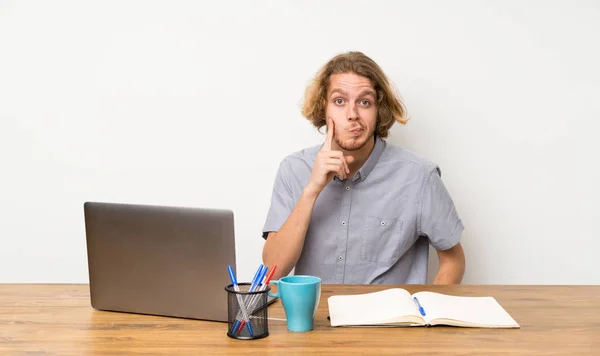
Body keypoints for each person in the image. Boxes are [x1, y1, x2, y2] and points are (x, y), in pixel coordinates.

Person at [261, 51, 465, 284]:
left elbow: (453, 259)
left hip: (387, 318)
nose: (352, 115)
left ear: (379, 111)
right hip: (315, 318)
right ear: (323, 108)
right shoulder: (294, 169)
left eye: (364, 102)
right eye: (339, 101)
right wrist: (311, 192)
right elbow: (271, 273)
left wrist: (428, 311)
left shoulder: (420, 177)